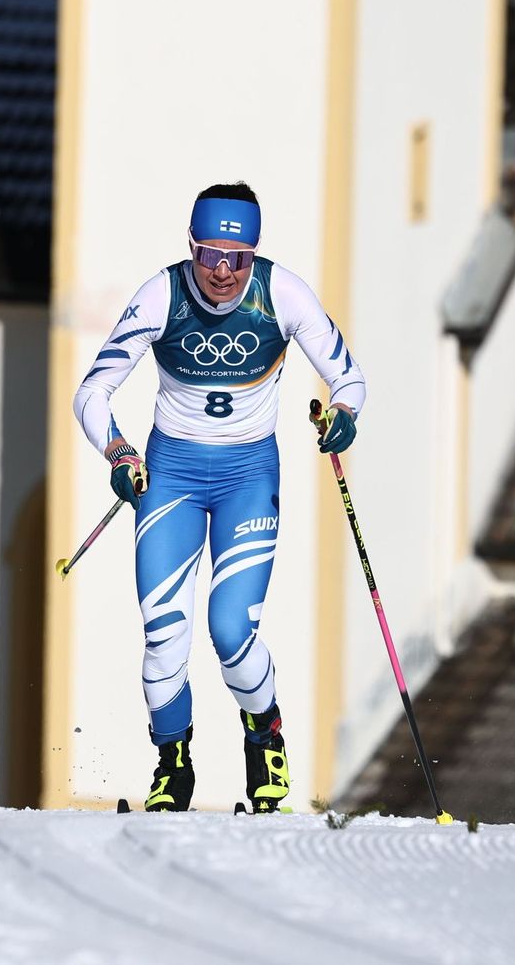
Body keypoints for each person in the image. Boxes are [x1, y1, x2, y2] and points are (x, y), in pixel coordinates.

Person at [72, 183, 366, 813]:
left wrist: (342, 413)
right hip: (171, 475)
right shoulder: (162, 295)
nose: (224, 272)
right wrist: (119, 452)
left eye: (238, 257)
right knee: (163, 635)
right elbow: (92, 393)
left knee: (231, 628)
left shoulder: (282, 294)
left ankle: (265, 739)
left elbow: (349, 376)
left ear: (254, 253)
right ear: (193, 247)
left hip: (248, 477)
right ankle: (173, 764)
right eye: (210, 255)